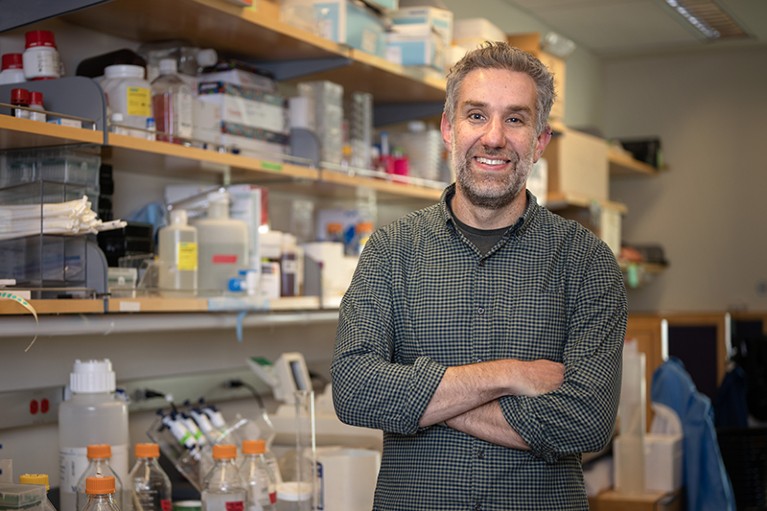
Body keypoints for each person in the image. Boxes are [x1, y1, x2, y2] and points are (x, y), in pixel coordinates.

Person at [331, 41, 628, 511]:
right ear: (449, 129)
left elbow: (585, 421)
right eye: (475, 115)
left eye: (515, 118)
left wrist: (422, 401)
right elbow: (354, 390)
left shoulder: (586, 261)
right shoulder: (391, 250)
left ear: (540, 140)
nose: (493, 137)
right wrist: (509, 375)